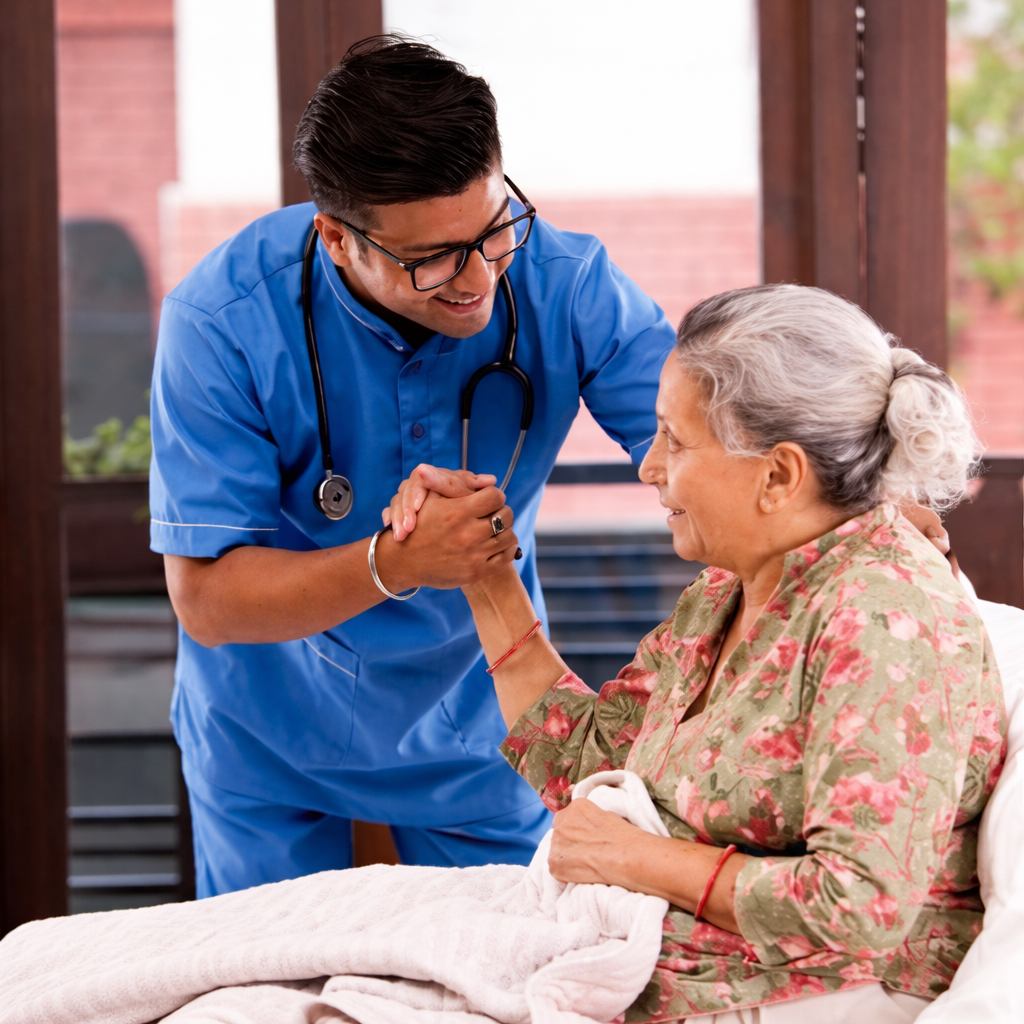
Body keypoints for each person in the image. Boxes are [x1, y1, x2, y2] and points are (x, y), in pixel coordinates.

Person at [148, 36, 675, 897]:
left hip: (480, 720)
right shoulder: (223, 321)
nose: (478, 278)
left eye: (494, 228)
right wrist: (397, 562)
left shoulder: (568, 284)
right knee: (272, 967)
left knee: (512, 957)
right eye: (432, 257)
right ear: (336, 237)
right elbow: (206, 600)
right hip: (269, 730)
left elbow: (709, 448)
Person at [401, 285, 1005, 1020]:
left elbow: (858, 905)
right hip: (659, 958)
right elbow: (585, 764)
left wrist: (636, 858)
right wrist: (487, 576)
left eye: (675, 440)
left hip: (829, 994)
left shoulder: (885, 621)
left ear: (778, 475)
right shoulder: (728, 590)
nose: (649, 467)